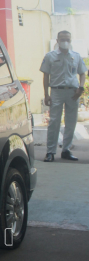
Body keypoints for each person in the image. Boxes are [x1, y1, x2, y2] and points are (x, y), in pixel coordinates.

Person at [40, 30, 87, 162]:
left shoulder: (76, 56)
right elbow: (46, 76)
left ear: (70, 41)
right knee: (54, 121)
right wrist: (46, 94)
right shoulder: (50, 56)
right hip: (56, 91)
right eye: (62, 39)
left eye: (67, 39)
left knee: (71, 121)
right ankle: (50, 152)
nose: (65, 42)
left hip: (73, 92)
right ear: (57, 40)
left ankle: (66, 150)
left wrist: (81, 88)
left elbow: (83, 73)